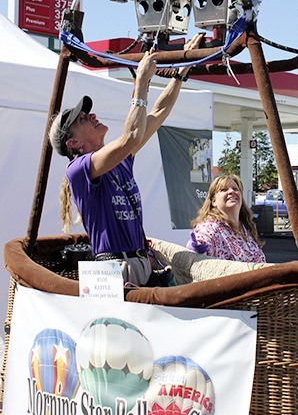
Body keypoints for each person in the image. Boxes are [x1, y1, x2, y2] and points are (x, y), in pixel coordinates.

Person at [49, 34, 203, 287]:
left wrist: (181, 72)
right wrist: (141, 81)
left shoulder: (120, 158)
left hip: (135, 264)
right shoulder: (78, 169)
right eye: (83, 119)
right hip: (114, 270)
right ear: (73, 143)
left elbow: (158, 113)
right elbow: (131, 136)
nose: (92, 115)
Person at [187, 174, 266, 263]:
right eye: (224, 190)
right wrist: (196, 250)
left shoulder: (246, 227)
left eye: (236, 189)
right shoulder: (209, 227)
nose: (231, 191)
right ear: (213, 201)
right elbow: (201, 243)